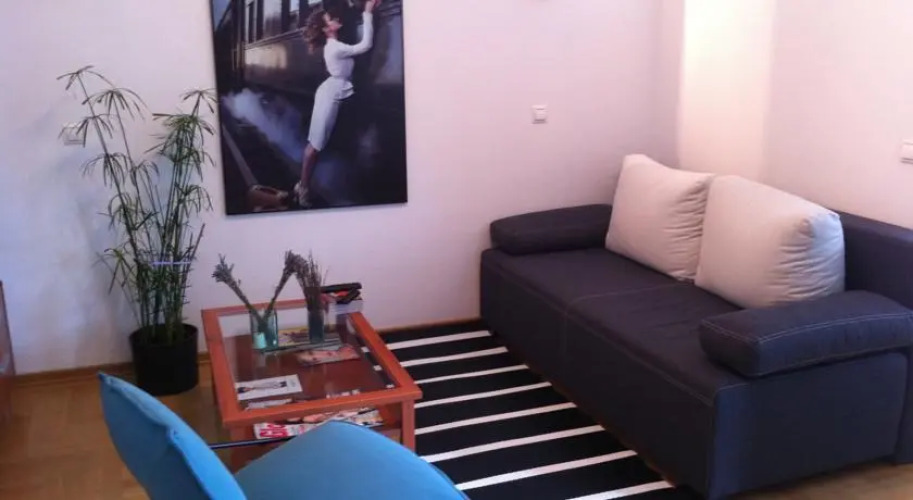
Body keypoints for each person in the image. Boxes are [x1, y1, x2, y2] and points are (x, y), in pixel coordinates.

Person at [296, 0, 380, 207]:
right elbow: (365, 45)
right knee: (316, 145)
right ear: (327, 29)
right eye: (330, 20)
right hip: (330, 94)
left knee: (317, 143)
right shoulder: (334, 48)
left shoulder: (335, 45)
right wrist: (368, 12)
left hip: (333, 91)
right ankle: (303, 188)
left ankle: (302, 185)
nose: (335, 19)